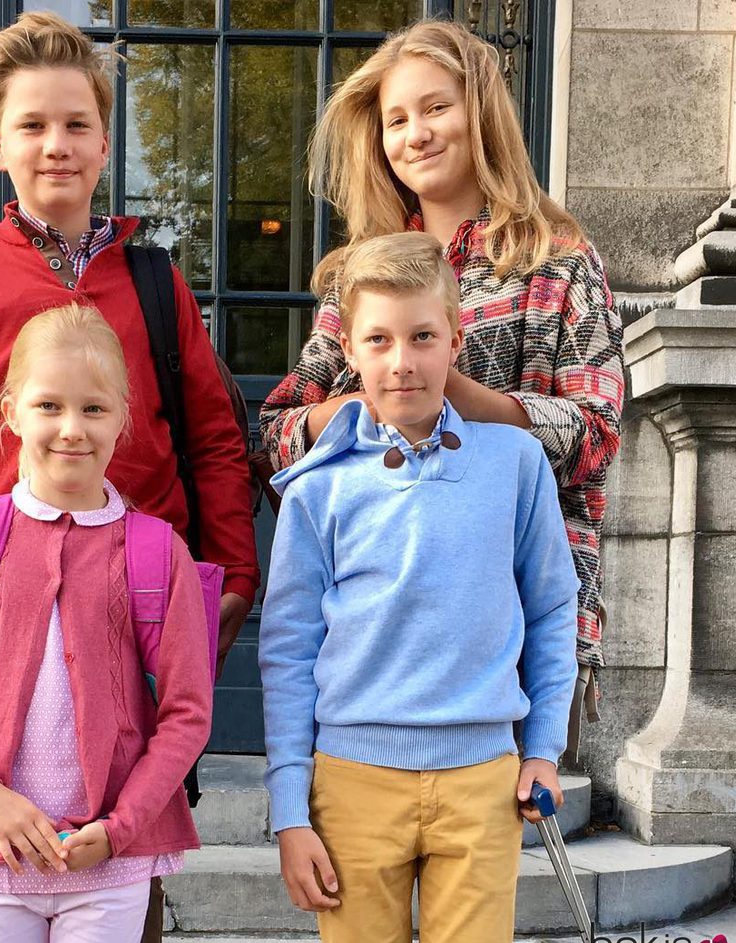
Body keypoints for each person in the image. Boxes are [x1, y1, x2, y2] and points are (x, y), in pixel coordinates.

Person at [0, 15, 258, 943]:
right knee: (5, 815)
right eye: (34, 126)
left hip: (136, 605)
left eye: (77, 124)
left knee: (126, 857)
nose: (57, 145)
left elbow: (212, 435)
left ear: (103, 140)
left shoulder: (155, 280)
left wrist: (232, 576)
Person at [259, 19, 623, 752]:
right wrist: (379, 397)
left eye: (436, 108)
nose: (415, 134)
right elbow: (278, 437)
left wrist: (449, 386)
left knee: (487, 860)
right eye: (396, 119)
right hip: (378, 626)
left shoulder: (556, 262)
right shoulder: (359, 273)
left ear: (480, 113)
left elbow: (596, 439)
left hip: (516, 616)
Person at [259, 232, 580, 943]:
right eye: (379, 339)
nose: (401, 359)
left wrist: (541, 749)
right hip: (352, 782)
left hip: (482, 780)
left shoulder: (516, 463)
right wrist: (289, 811)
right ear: (353, 356)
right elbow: (287, 649)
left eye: (422, 336)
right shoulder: (317, 487)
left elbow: (552, 609)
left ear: (455, 340)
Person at [0, 304, 213, 943]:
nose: (70, 429)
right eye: (48, 405)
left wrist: (121, 828)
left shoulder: (157, 552)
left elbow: (186, 713)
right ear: (11, 412)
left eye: (93, 409)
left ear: (124, 415)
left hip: (107, 862)